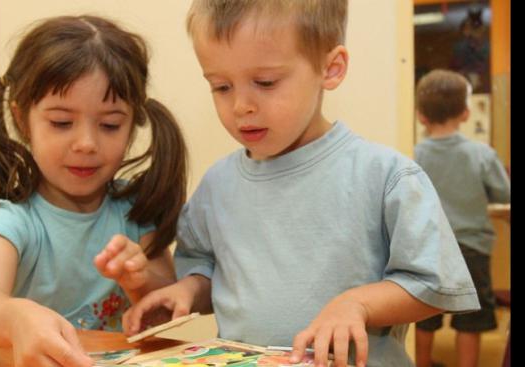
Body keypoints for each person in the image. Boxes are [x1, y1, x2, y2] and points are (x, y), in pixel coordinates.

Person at [123, 2, 480, 366]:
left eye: (265, 82)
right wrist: (187, 290)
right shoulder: (216, 186)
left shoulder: (386, 176)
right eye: (221, 86)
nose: (241, 105)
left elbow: (433, 285)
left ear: (331, 68)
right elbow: (208, 273)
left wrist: (358, 304)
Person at [0, 15, 188, 367]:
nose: (86, 144)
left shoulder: (135, 210)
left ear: (133, 123)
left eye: (110, 125)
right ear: (21, 119)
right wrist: (16, 318)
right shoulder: (11, 221)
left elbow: (165, 306)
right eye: (62, 122)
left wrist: (139, 283)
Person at [413, 69, 510, 367]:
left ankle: (422, 362)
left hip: (428, 249)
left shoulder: (414, 154)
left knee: (423, 315)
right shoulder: (481, 154)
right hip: (472, 248)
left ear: (420, 115)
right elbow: (503, 193)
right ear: (466, 113)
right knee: (471, 319)